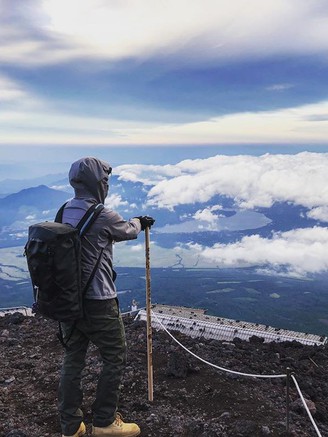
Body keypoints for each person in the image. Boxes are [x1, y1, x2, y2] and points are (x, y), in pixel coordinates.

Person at [58, 157, 155, 437]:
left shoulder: (63, 211)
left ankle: (71, 425)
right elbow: (129, 231)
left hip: (69, 302)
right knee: (114, 356)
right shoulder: (103, 215)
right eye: (106, 181)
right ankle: (104, 422)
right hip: (100, 301)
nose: (107, 186)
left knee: (73, 358)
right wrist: (140, 220)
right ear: (98, 183)